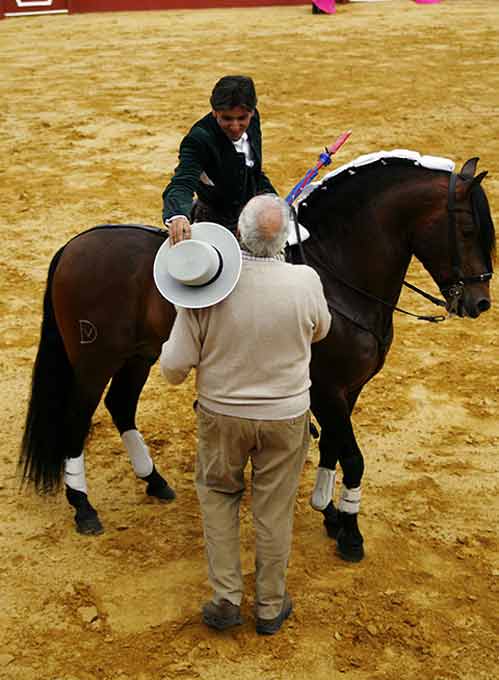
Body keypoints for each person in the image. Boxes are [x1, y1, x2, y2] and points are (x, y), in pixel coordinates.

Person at [159, 194, 331, 635]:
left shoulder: (206, 291)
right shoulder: (306, 280)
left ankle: (226, 598)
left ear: (238, 233)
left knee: (219, 499)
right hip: (286, 415)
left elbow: (173, 371)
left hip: (222, 415)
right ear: (284, 240)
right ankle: (271, 606)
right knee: (275, 511)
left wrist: (187, 313)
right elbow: (321, 330)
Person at [161, 75, 277, 245]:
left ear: (252, 112)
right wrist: (177, 215)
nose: (236, 126)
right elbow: (182, 182)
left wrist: (272, 199)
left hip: (255, 207)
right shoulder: (198, 140)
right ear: (215, 112)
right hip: (217, 220)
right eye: (227, 119)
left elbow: (253, 170)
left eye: (242, 118)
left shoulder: (253, 119)